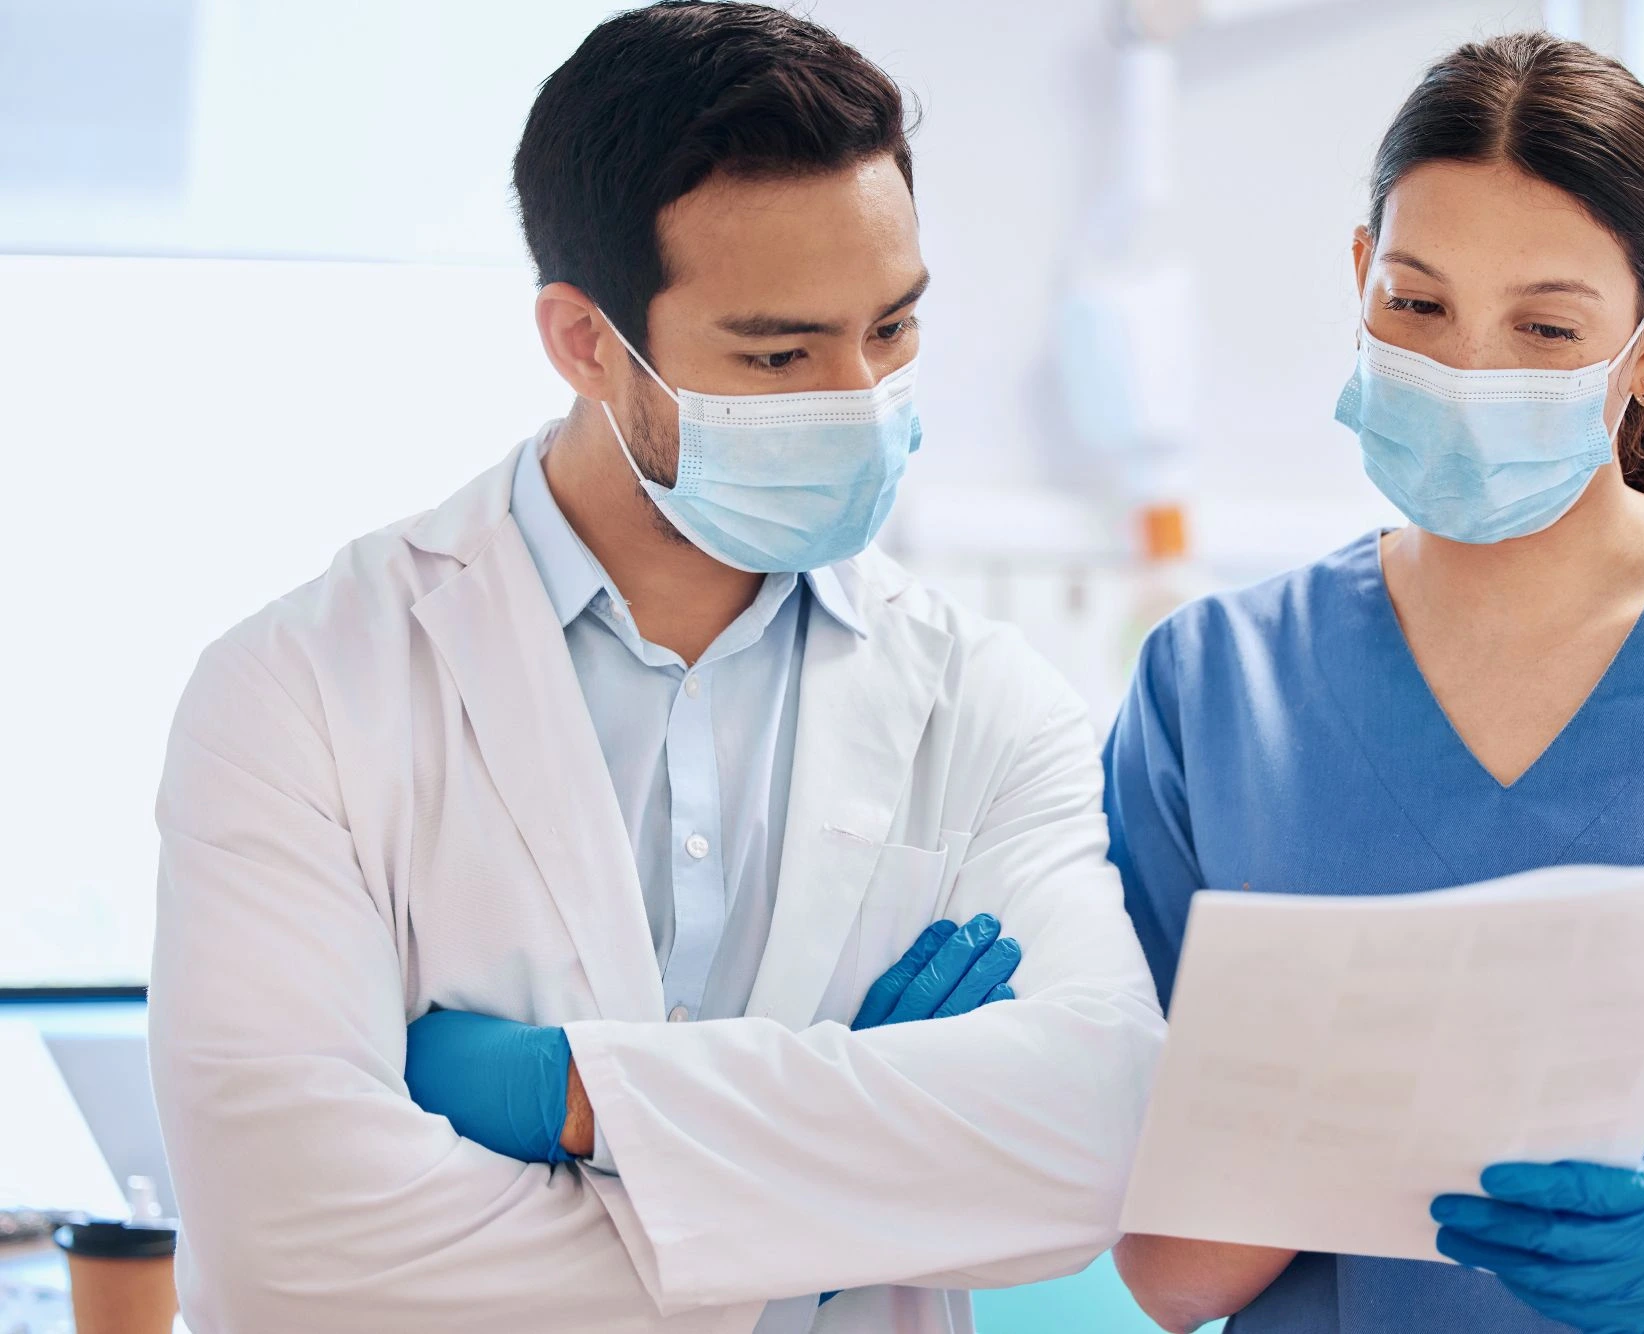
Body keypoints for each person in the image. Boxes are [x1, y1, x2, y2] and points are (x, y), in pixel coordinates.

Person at [147, 5, 1164, 1332]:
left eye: (895, 330)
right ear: (583, 341)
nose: (859, 397)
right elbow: (302, 1251)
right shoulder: (297, 692)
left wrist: (574, 1093)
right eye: (780, 353)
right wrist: (845, 1197)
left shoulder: (989, 706)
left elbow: (1092, 1140)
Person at [1106, 31, 1644, 1334]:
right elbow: (1164, 1275)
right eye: (1417, 305)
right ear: (1359, 278)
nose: (1470, 370)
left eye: (1544, 326)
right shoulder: (1211, 686)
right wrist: (1319, 1104)